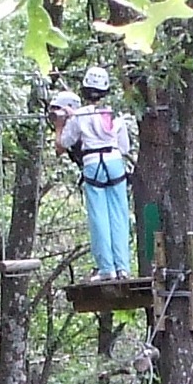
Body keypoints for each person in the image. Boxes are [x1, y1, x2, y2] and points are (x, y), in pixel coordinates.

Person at [57, 66, 133, 281]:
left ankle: (106, 268)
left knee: (99, 217)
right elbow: (125, 148)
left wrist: (63, 123)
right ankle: (123, 267)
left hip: (92, 163)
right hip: (114, 161)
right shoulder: (114, 114)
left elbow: (65, 142)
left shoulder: (79, 116)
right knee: (119, 215)